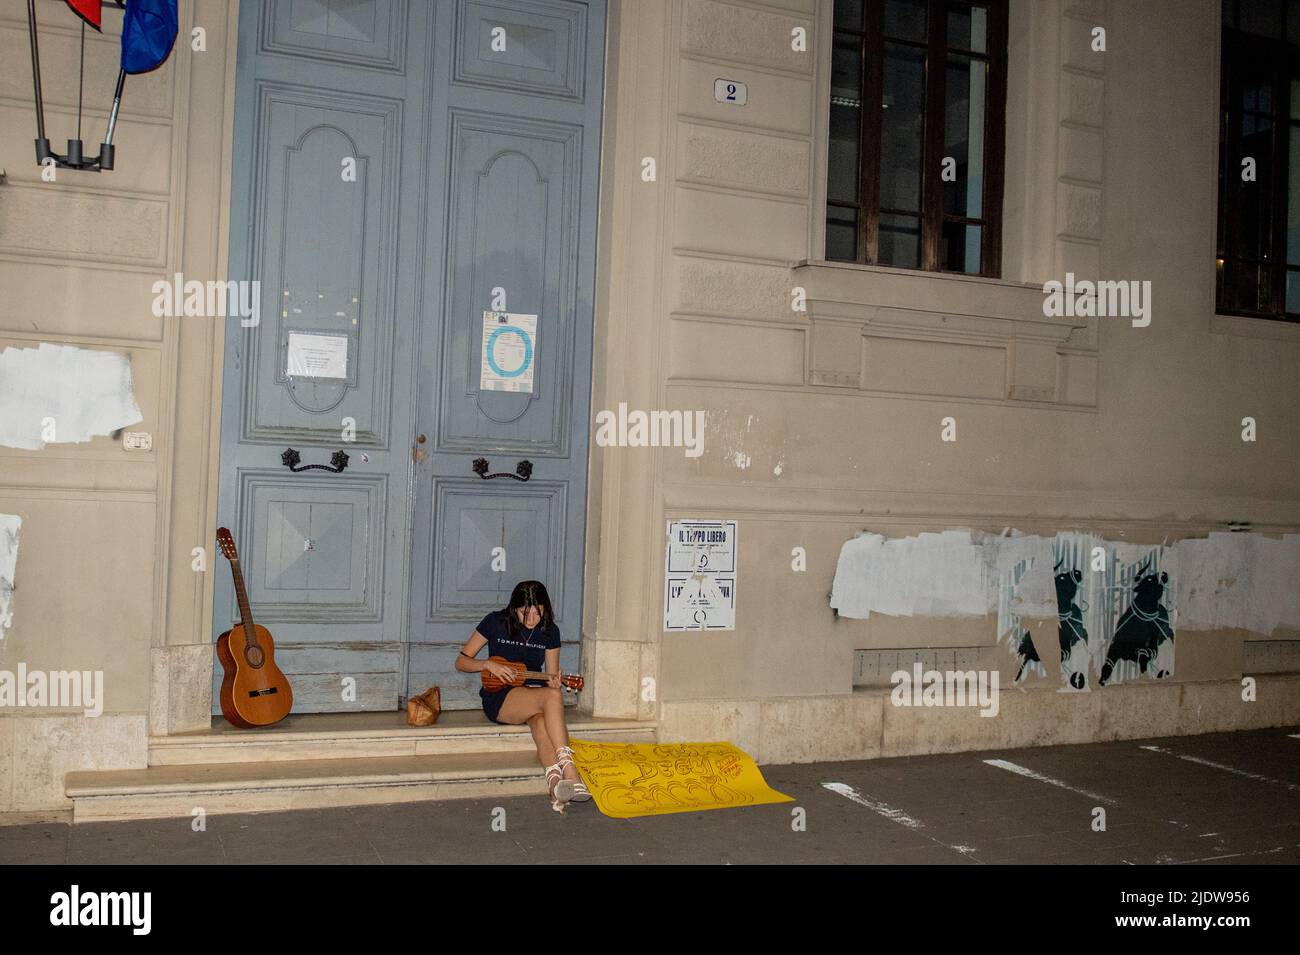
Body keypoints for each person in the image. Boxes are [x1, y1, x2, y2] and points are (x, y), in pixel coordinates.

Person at [454, 580, 590, 812]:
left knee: (541, 719)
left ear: (545, 608)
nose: (531, 619)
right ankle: (571, 771)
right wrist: (488, 665)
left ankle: (555, 784)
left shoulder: (550, 632)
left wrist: (555, 681)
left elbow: (550, 678)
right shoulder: (495, 622)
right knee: (551, 699)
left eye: (538, 612)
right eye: (524, 613)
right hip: (500, 697)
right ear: (513, 608)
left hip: (534, 694)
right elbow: (461, 662)